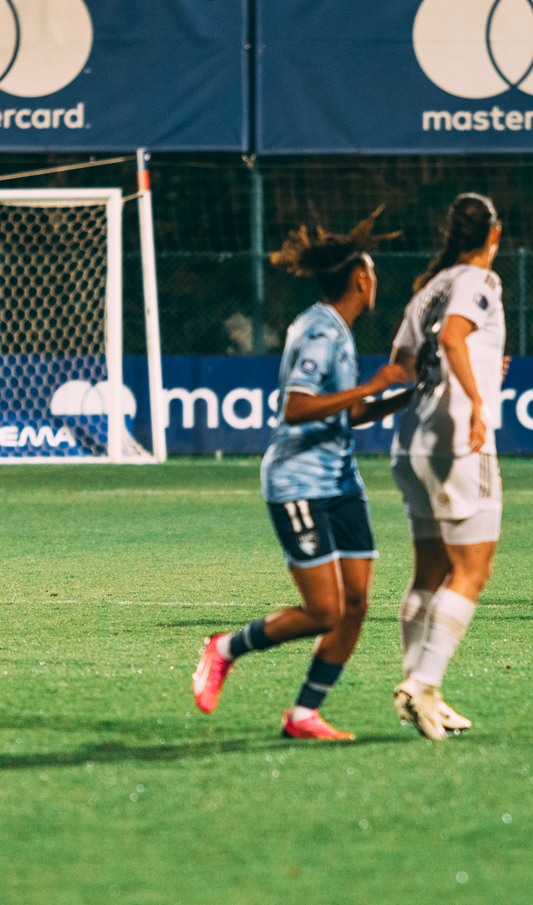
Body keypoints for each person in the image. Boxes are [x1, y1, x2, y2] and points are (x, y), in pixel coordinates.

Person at [191, 210, 412, 739]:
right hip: (299, 484)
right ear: (362, 278)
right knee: (325, 610)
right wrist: (374, 383)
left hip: (340, 482)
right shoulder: (318, 329)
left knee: (356, 605)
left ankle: (304, 713)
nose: (376, 280)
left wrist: (405, 395)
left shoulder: (336, 328)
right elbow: (296, 408)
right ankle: (224, 648)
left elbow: (345, 415)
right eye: (374, 273)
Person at [387, 192, 506, 740]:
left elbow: (403, 365)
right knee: (472, 570)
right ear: (493, 235)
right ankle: (424, 684)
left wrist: (481, 371)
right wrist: (478, 403)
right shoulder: (479, 282)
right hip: (456, 439)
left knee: (430, 572)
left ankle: (418, 691)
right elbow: (455, 336)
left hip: (410, 438)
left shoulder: (426, 289)